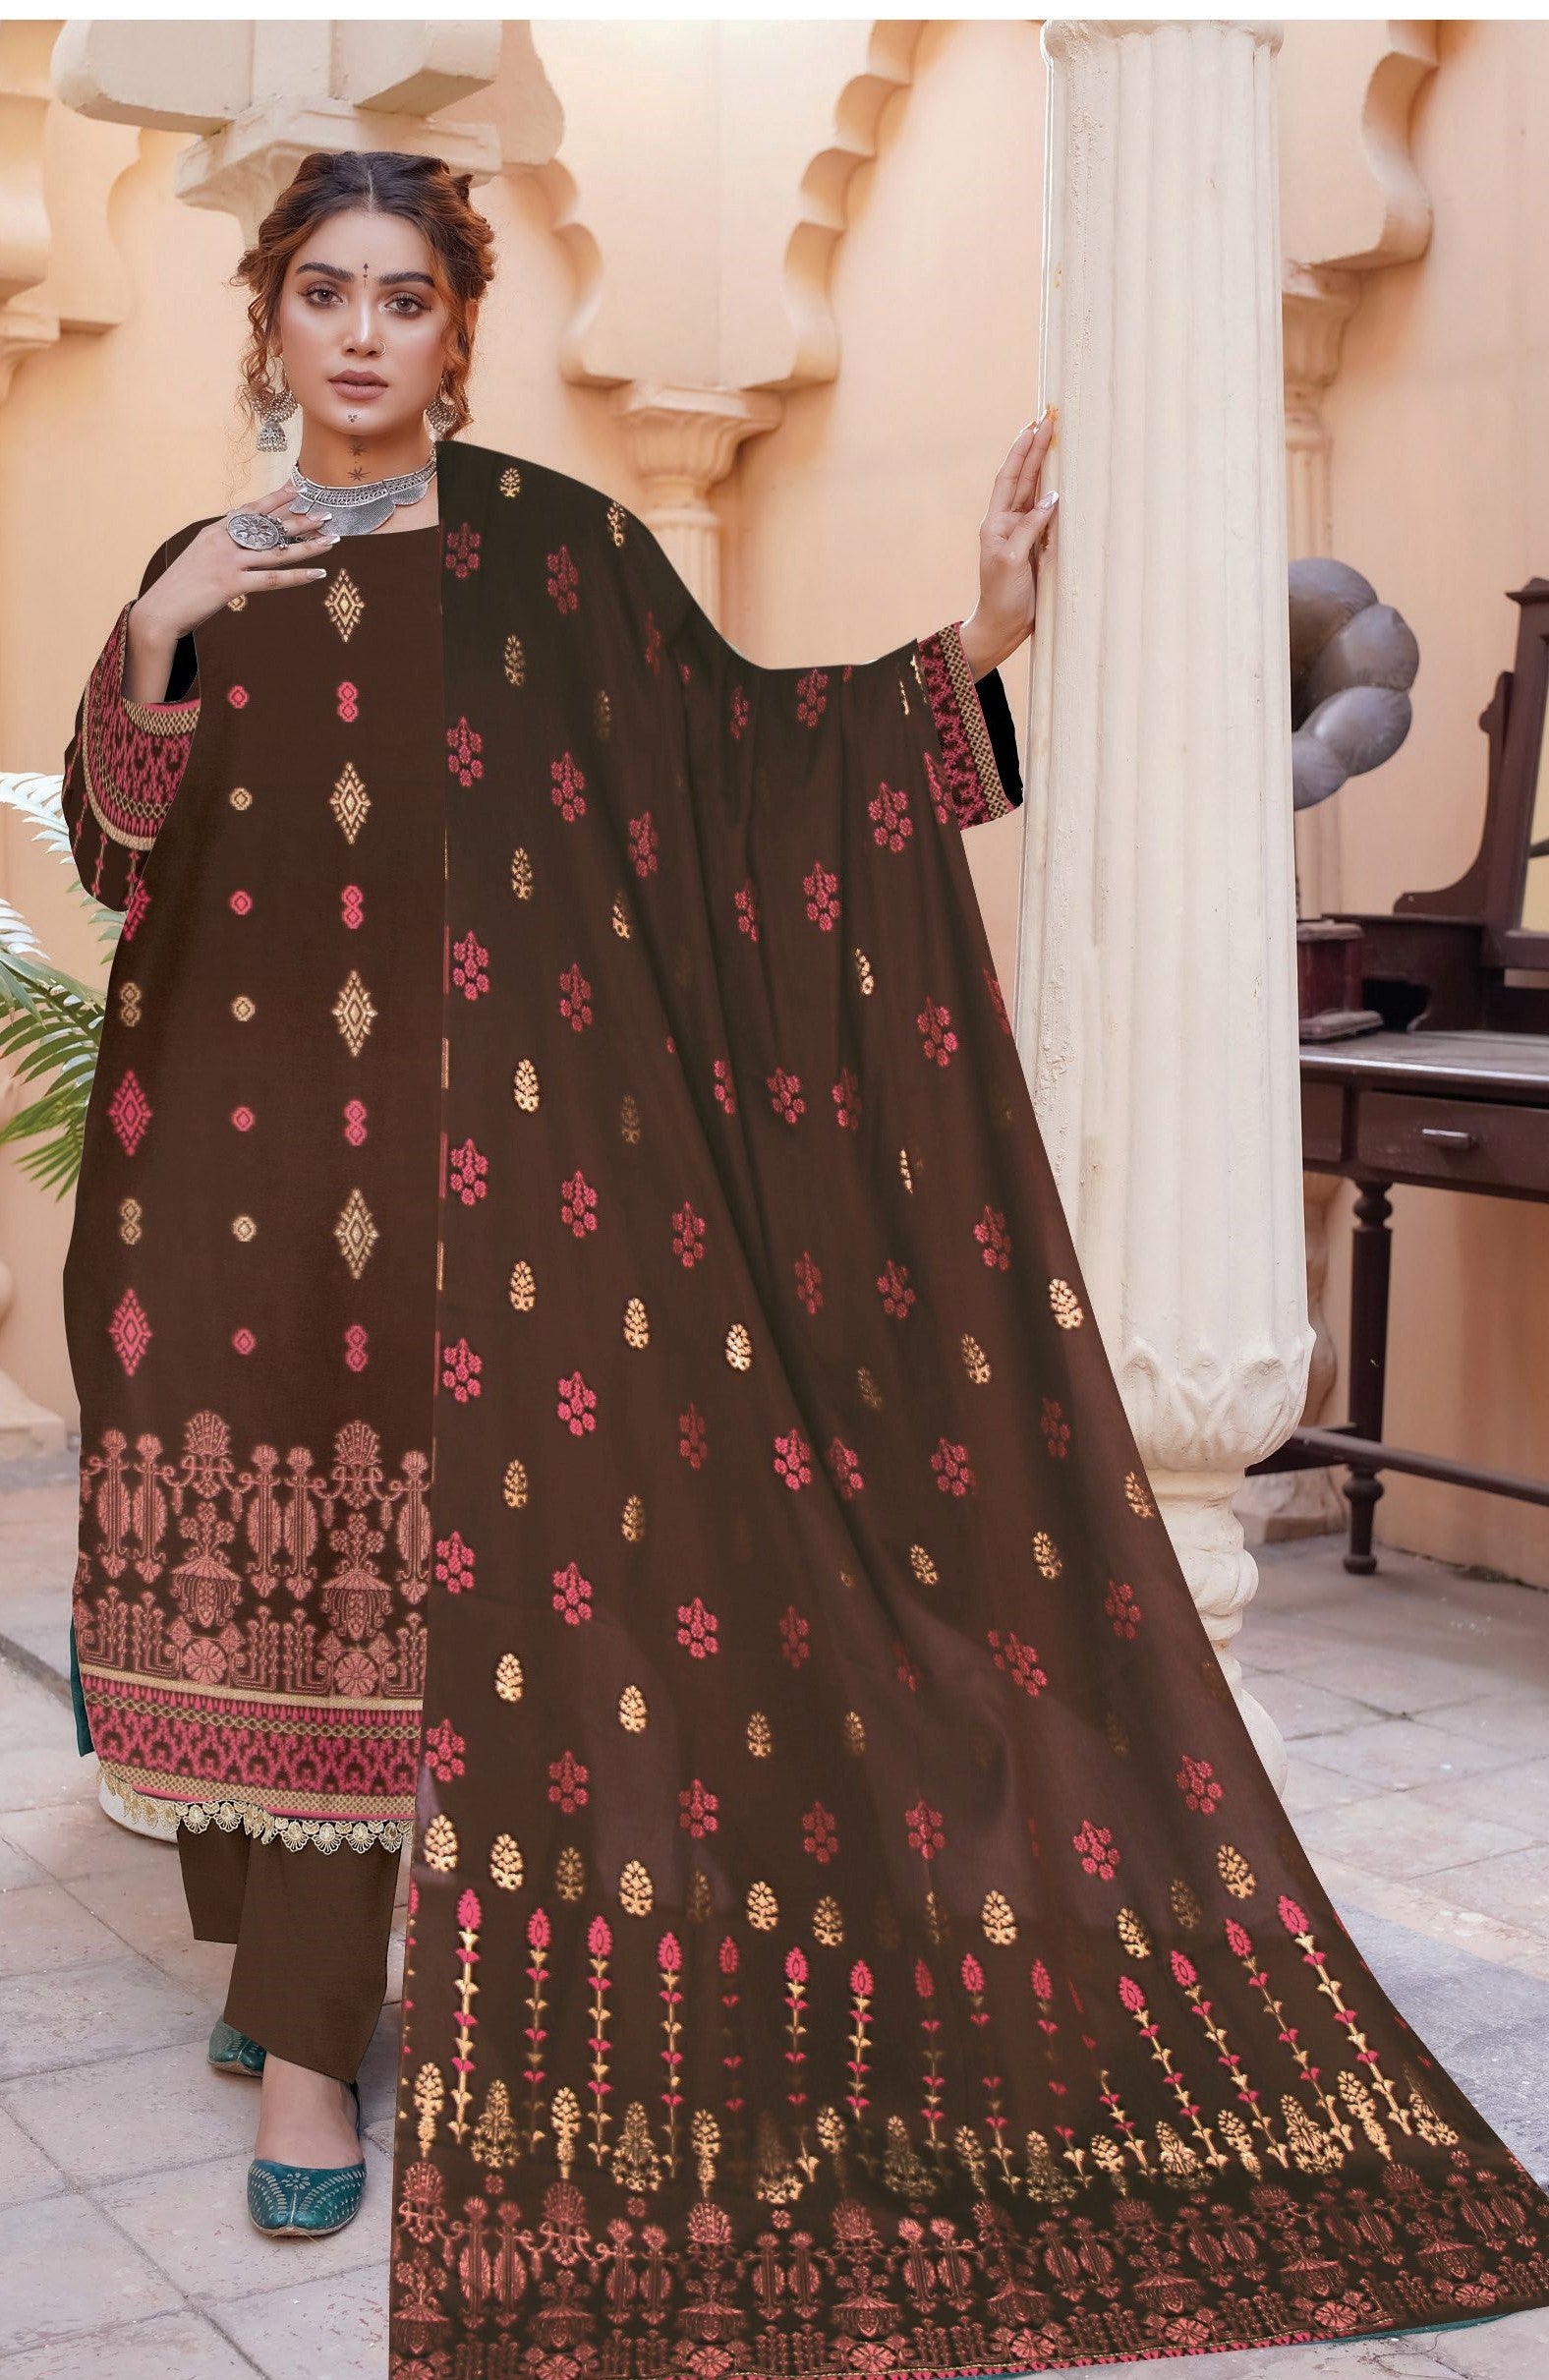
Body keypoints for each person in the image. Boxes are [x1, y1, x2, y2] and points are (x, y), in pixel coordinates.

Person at [58, 148, 1035, 2247]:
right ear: (268, 316)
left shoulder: (557, 560)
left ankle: (315, 2033)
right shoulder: (203, 557)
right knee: (267, 1554)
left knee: (408, 1563)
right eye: (323, 291)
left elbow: (749, 770)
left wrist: (978, 647)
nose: (357, 332)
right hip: (224, 1144)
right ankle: (282, 1951)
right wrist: (157, 631)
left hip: (486, 1161)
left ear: (457, 334)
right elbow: (113, 852)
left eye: (402, 298)